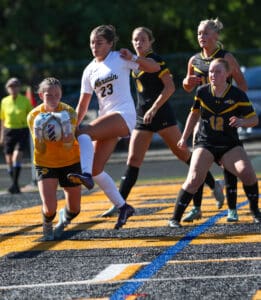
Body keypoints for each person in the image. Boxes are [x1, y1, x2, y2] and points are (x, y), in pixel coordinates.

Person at [100, 26, 224, 218]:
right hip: (143, 116)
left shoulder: (155, 60)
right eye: (135, 40)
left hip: (161, 114)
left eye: (143, 39)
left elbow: (170, 87)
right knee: (133, 160)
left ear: (151, 41)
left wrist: (154, 109)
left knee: (183, 154)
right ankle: (120, 203)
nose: (138, 43)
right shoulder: (133, 62)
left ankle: (213, 184)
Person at [66, 24, 161, 229]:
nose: (94, 46)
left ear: (110, 44)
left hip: (123, 115)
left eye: (99, 42)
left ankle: (85, 176)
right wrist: (72, 122)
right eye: (92, 42)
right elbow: (83, 104)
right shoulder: (89, 69)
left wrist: (134, 58)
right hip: (107, 119)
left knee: (84, 133)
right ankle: (123, 206)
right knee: (96, 167)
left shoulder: (119, 57)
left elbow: (155, 67)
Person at [168, 58, 261, 228]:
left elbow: (254, 119)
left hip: (229, 144)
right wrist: (183, 137)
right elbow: (194, 115)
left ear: (227, 74)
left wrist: (242, 122)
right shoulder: (202, 91)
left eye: (217, 71)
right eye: (211, 71)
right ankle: (175, 218)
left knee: (247, 173)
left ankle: (255, 211)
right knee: (195, 177)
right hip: (206, 142)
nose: (213, 75)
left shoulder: (237, 94)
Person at [182, 18, 248, 223]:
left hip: (225, 120)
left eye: (205, 33)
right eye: (199, 33)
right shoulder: (194, 60)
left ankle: (232, 209)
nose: (201, 37)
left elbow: (242, 86)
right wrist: (187, 82)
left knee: (229, 164)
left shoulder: (226, 57)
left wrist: (233, 107)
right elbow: (187, 86)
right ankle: (197, 207)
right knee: (197, 166)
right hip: (203, 121)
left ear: (216, 35)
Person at [27, 77, 82, 241]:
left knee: (75, 209)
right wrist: (39, 133)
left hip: (70, 161)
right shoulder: (33, 115)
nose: (53, 98)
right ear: (41, 95)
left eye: (57, 95)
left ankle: (63, 220)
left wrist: (65, 134)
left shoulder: (69, 112)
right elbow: (41, 149)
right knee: (50, 208)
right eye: (49, 95)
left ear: (61, 94)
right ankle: (47, 225)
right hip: (46, 162)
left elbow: (68, 145)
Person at [0, 77, 33, 194]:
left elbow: (31, 115)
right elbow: (2, 119)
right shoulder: (4, 101)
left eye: (15, 86)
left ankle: (15, 184)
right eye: (11, 86)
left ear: (19, 88)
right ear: (7, 88)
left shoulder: (25, 100)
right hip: (8, 131)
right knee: (8, 160)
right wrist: (1, 136)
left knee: (16, 157)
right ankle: (15, 184)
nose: (13, 88)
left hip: (22, 131)